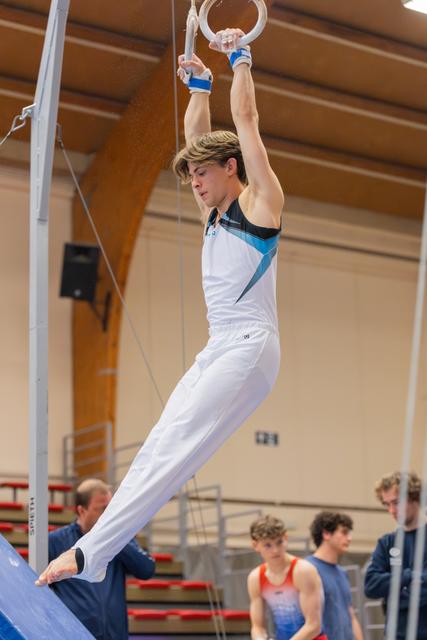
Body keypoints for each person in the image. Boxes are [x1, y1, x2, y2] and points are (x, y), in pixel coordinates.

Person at [36, 28, 284, 586]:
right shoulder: (213, 216)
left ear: (231, 167)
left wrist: (239, 58)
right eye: (190, 175)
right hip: (220, 345)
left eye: (202, 172)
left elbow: (247, 125)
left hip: (252, 345)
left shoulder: (260, 204)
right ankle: (95, 555)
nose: (194, 183)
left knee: (176, 446)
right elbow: (197, 132)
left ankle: (88, 553)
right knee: (158, 441)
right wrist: (199, 84)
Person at [47, 479, 155, 639]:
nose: (108, 515)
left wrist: (117, 537)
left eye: (110, 508)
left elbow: (147, 570)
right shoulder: (56, 541)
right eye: (103, 509)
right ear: (81, 511)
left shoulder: (119, 537)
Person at [364, 471, 427, 639]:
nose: (392, 510)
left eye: (396, 503)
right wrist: (408, 576)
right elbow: (371, 586)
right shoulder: (387, 543)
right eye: (387, 504)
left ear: (414, 497)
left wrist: (394, 585)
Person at [247, 515, 326, 640]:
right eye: (268, 545)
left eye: (279, 542)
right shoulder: (255, 578)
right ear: (255, 545)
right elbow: (257, 626)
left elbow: (314, 625)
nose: (275, 550)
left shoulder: (303, 571)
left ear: (286, 538)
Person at [306, 511, 363, 640]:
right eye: (344, 532)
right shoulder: (307, 569)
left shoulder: (342, 573)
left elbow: (350, 615)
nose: (349, 538)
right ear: (326, 533)